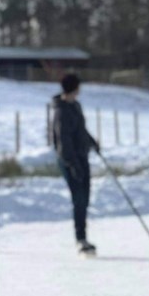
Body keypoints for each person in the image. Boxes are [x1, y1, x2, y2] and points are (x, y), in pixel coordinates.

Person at [50, 72, 100, 255]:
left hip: (82, 157)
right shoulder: (61, 111)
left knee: (85, 198)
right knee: (78, 199)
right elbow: (63, 142)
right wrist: (72, 165)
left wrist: (92, 142)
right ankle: (80, 239)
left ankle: (83, 237)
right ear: (74, 88)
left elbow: (81, 130)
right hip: (70, 161)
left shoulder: (75, 106)